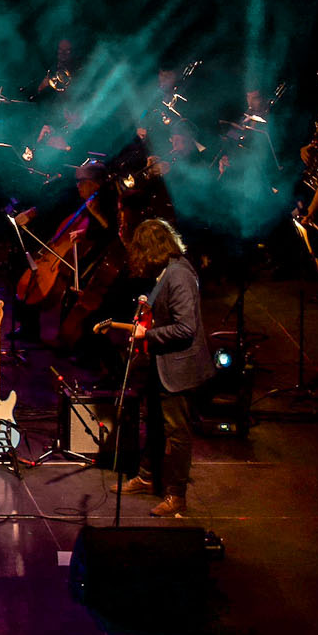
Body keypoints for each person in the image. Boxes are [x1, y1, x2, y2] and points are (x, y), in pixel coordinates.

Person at [109, 218, 211, 517]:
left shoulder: (179, 275)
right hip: (161, 364)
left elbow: (186, 328)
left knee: (177, 433)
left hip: (178, 369)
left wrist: (147, 334)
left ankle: (177, 496)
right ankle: (147, 475)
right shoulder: (167, 271)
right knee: (153, 420)